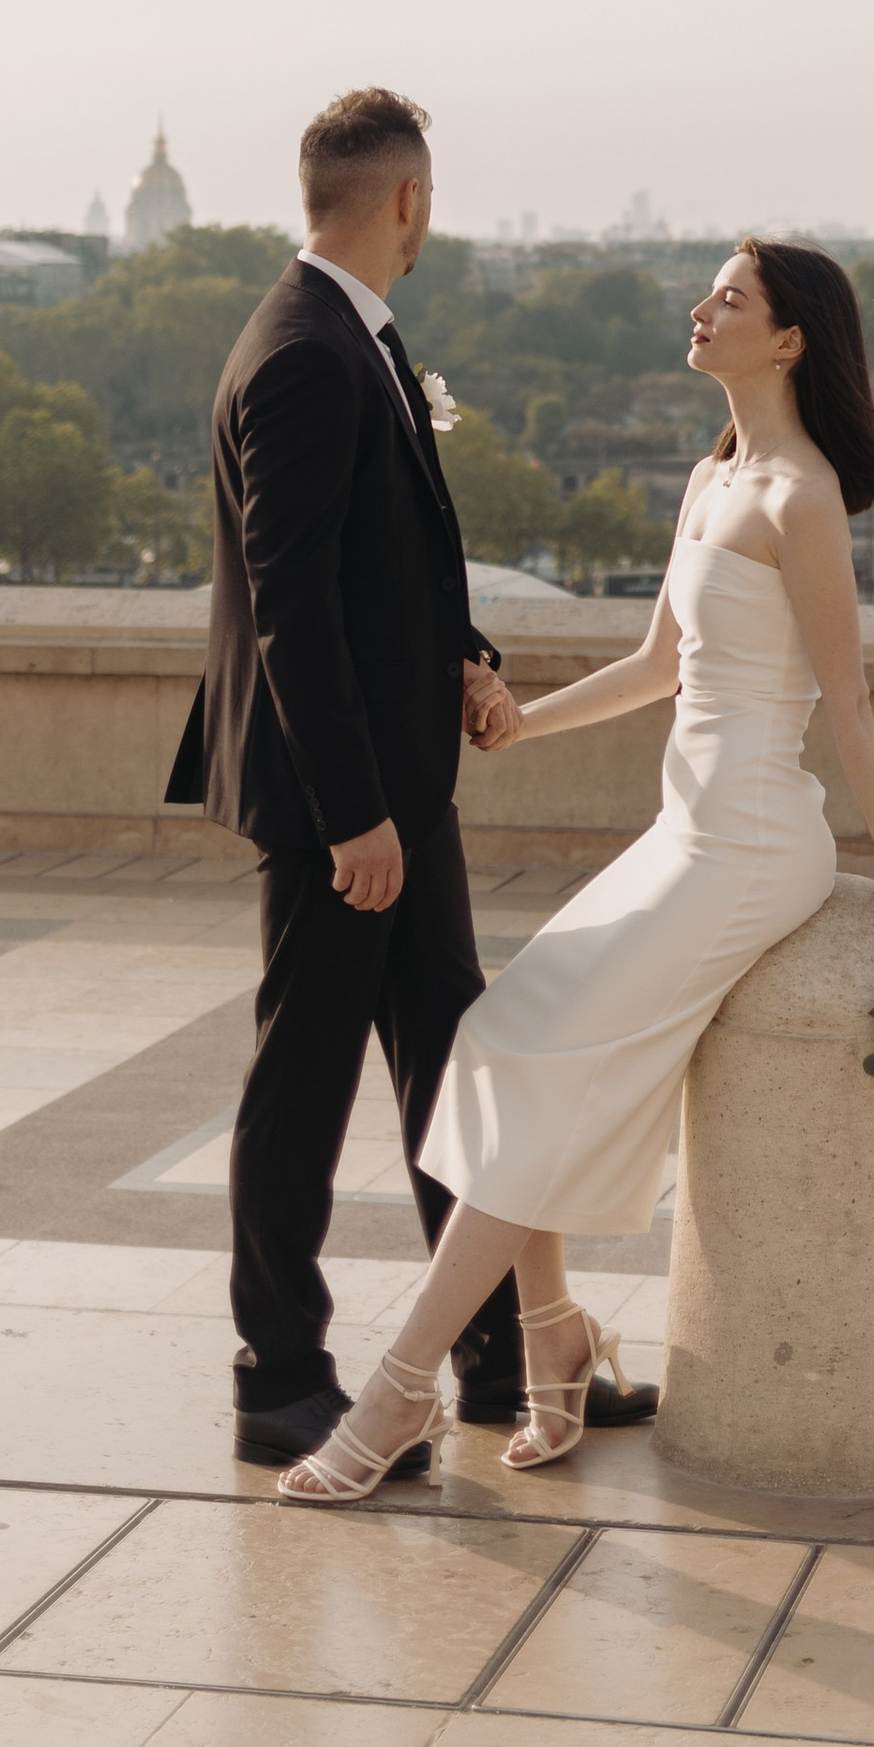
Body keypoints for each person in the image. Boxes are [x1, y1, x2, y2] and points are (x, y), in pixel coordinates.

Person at [280, 235, 874, 1501]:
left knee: (534, 1077)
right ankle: (555, 1348)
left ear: (790, 338)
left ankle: (396, 1394)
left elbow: (851, 709)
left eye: (730, 299)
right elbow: (660, 668)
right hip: (687, 834)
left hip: (754, 848)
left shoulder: (800, 499)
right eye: (706, 292)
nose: (700, 311)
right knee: (501, 1040)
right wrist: (524, 720)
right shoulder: (714, 480)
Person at [165, 89, 652, 1471]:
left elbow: (387, 569)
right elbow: (293, 601)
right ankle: (281, 1377)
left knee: (460, 1067)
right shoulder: (313, 355)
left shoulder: (338, 336)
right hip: (355, 803)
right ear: (409, 203)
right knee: (304, 1081)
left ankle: (501, 1349)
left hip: (395, 780)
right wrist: (355, 814)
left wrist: (465, 660)